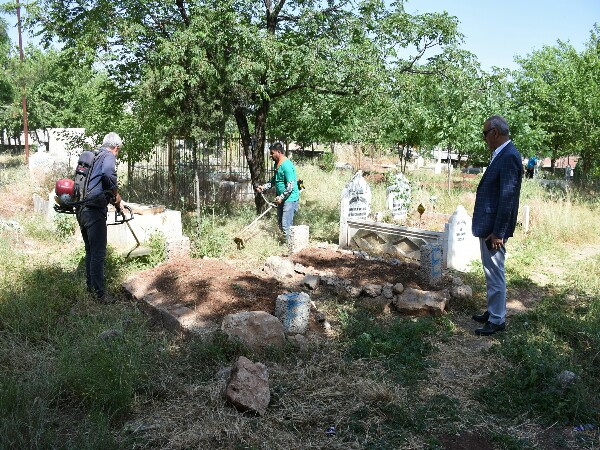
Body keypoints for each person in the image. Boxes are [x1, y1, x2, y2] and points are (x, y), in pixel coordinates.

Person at [472, 115, 522, 336]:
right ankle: (493, 311)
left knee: (495, 272)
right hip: (490, 226)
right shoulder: (500, 154)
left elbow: (507, 198)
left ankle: (497, 320)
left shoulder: (509, 156)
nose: (485, 139)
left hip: (495, 229)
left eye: (485, 134)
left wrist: (499, 232)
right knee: (490, 271)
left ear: (494, 133)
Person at [76, 132, 123, 302]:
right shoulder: (108, 156)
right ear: (116, 148)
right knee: (98, 253)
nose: (117, 154)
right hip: (93, 211)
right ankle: (99, 294)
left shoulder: (94, 156)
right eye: (118, 151)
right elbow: (109, 175)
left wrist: (111, 199)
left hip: (81, 209)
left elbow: (97, 182)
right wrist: (116, 195)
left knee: (90, 250)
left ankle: (91, 289)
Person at [255, 142, 300, 242]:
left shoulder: (286, 165)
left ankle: (290, 247)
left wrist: (281, 197)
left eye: (272, 153)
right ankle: (286, 243)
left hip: (290, 199)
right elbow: (275, 180)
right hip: (282, 199)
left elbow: (291, 185)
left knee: (286, 224)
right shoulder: (278, 164)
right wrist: (263, 187)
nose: (270, 156)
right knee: (280, 222)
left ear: (279, 152)